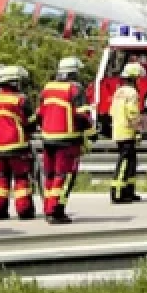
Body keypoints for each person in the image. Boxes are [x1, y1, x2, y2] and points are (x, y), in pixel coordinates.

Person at [36, 57, 94, 224]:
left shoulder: (48, 88)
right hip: (68, 140)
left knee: (50, 175)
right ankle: (56, 210)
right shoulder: (75, 89)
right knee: (65, 175)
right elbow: (83, 115)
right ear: (74, 71)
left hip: (47, 139)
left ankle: (48, 208)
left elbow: (40, 114)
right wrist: (91, 133)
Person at [0, 65, 37, 221]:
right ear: (14, 82)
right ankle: (24, 210)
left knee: (1, 178)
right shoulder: (20, 100)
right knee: (21, 178)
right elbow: (31, 122)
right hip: (18, 147)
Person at [110, 62, 144, 204]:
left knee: (131, 162)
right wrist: (137, 130)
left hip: (119, 129)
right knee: (124, 162)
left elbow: (111, 111)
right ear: (134, 78)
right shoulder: (132, 93)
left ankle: (129, 191)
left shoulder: (119, 91)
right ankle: (117, 193)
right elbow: (133, 114)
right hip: (127, 130)